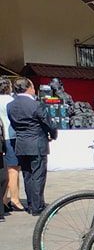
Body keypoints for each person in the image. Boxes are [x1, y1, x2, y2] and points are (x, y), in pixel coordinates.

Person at [7, 77, 58, 216]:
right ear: (28, 88)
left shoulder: (10, 106)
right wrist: (53, 135)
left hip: (21, 143)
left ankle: (31, 204)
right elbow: (49, 123)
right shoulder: (36, 105)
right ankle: (37, 206)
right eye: (33, 87)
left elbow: (13, 123)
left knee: (27, 175)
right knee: (38, 176)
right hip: (37, 143)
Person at [0, 78, 24, 213]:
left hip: (1, 137)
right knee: (13, 169)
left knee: (4, 169)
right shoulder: (11, 101)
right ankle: (14, 199)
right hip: (11, 137)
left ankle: (4, 198)